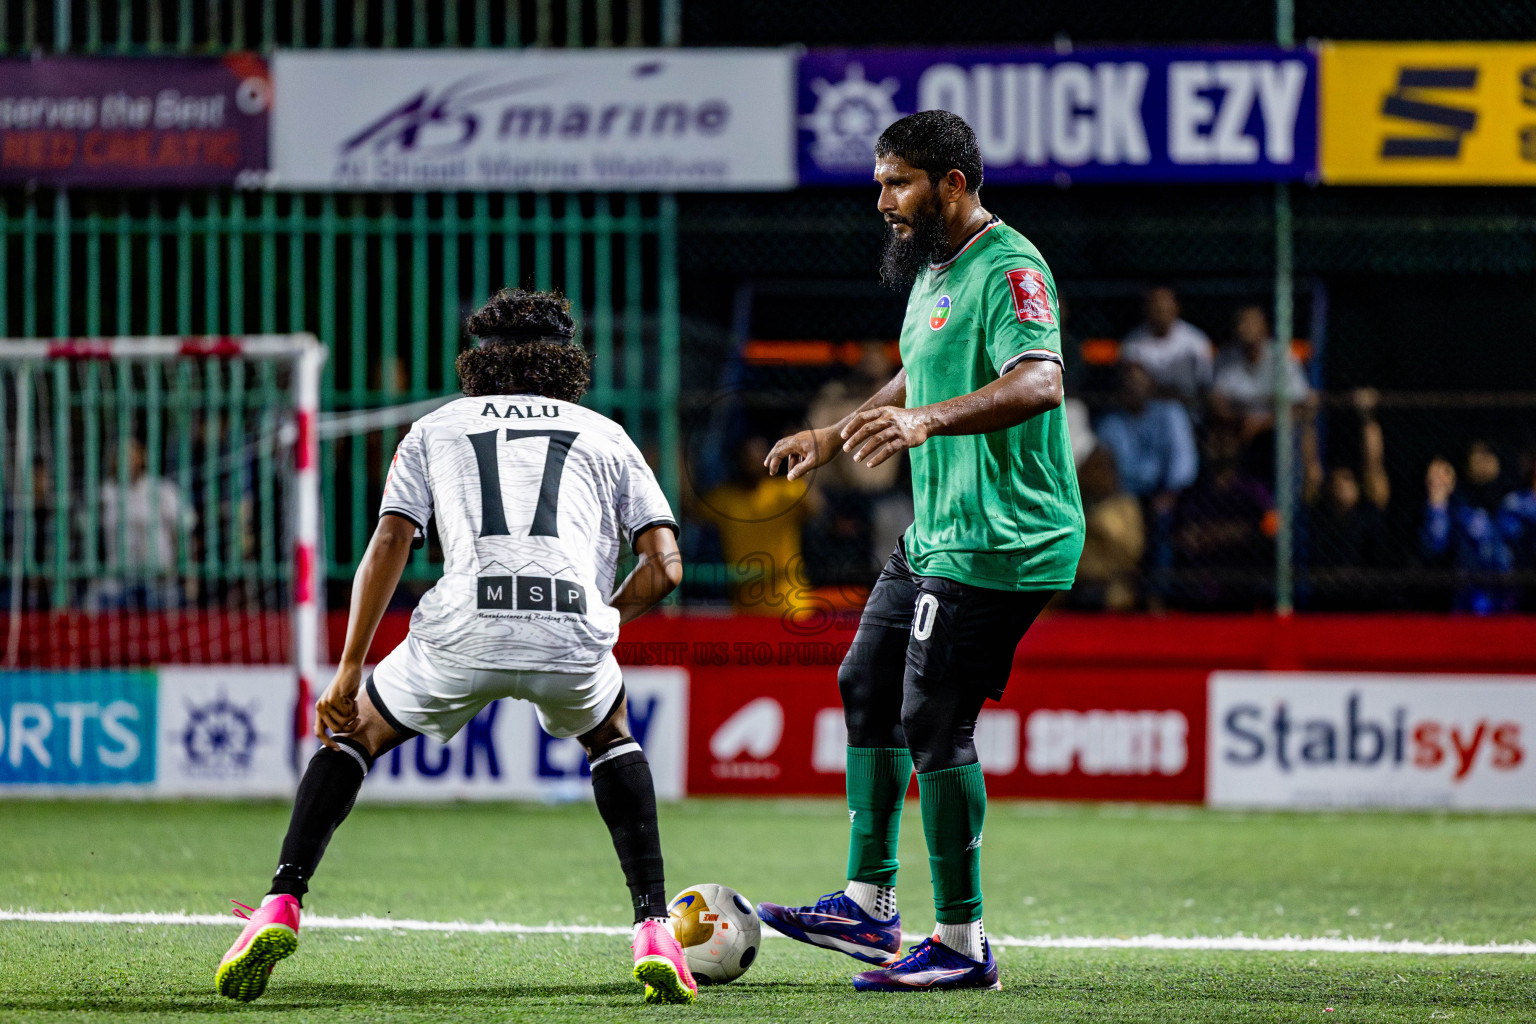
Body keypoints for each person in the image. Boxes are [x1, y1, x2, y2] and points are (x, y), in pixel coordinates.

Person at [214, 289, 697, 1005]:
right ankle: (654, 926)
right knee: (612, 736)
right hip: (570, 626)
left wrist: (347, 672)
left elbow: (390, 541)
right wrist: (600, 619)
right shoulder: (607, 432)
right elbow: (666, 568)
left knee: (355, 735)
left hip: (462, 625)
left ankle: (281, 902)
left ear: (477, 361)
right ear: (567, 361)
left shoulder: (436, 426)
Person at [757, 111, 1083, 993]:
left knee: (935, 718)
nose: (882, 200)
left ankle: (962, 943)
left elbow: (1040, 377)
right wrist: (839, 432)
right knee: (865, 682)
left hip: (1003, 535)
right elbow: (921, 367)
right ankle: (867, 906)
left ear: (953, 183)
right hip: (937, 531)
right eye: (878, 182)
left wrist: (925, 422)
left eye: (898, 182)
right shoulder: (937, 270)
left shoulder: (1010, 264)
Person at [694, 434, 822, 614]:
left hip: (789, 606)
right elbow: (688, 508)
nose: (752, 460)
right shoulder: (724, 499)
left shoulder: (785, 491)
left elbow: (816, 508)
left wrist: (803, 461)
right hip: (746, 609)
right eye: (746, 455)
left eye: (758, 454)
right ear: (736, 459)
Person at [1209, 305, 1321, 487]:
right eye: (1241, 323)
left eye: (1252, 323)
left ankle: (1296, 491)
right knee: (1218, 436)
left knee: (1300, 428)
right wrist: (1240, 420)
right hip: (1239, 425)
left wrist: (1261, 424)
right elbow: (1218, 402)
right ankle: (1226, 493)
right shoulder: (1226, 357)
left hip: (1277, 426)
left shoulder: (1281, 357)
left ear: (1265, 329)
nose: (1245, 328)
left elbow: (1299, 405)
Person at [88, 437, 193, 611]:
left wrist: (186, 572)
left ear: (142, 457)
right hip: (118, 584)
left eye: (132, 455)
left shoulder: (162, 490)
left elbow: (183, 530)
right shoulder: (104, 495)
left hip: (160, 582)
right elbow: (90, 536)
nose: (126, 460)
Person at [1420, 440, 1515, 614]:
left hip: (1513, 603)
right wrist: (1437, 500)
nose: (1483, 459)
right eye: (1477, 453)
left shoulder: (1515, 501)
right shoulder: (1456, 505)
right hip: (1464, 605)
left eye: (1489, 452)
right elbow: (1434, 546)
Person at [1120, 284, 1213, 406]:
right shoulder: (1132, 340)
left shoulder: (1196, 340)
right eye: (1155, 305)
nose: (1160, 309)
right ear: (1146, 308)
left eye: (1164, 304)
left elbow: (1205, 382)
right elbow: (1131, 381)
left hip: (1187, 407)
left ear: (1176, 307)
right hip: (1146, 408)